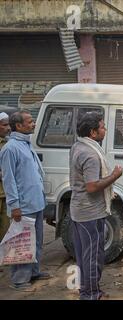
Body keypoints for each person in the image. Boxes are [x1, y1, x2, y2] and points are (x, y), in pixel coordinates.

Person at [69, 112, 123, 300]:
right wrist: (114, 176)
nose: (105, 130)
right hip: (89, 213)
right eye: (102, 127)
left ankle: (88, 290)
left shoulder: (79, 145)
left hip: (80, 210)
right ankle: (90, 294)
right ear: (93, 132)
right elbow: (92, 186)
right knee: (92, 256)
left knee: (85, 254)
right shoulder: (90, 154)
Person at [0, 111, 50, 291]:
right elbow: (9, 179)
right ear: (19, 126)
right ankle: (19, 279)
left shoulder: (25, 144)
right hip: (23, 206)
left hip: (36, 202)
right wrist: (14, 206)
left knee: (35, 241)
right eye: (29, 122)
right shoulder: (10, 148)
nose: (33, 124)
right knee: (21, 244)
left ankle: (33, 272)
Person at [0, 112, 11, 241]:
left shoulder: (9, 143)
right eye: (5, 125)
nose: (8, 128)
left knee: (6, 234)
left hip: (6, 195)